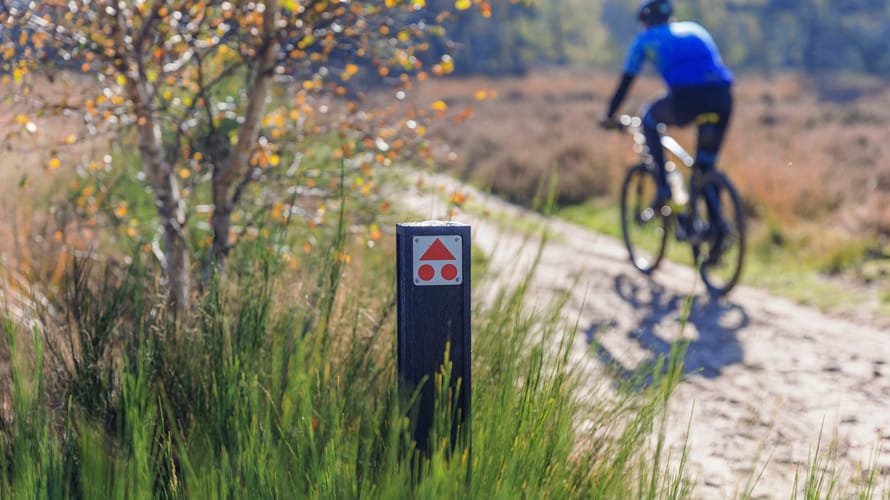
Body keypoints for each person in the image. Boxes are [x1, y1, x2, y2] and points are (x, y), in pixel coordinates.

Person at [600, 0, 734, 207]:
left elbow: (626, 82)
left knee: (649, 118)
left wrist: (609, 114)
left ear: (646, 22)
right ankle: (716, 221)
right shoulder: (695, 29)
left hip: (687, 99)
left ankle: (664, 188)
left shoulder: (645, 40)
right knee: (705, 166)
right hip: (722, 98)